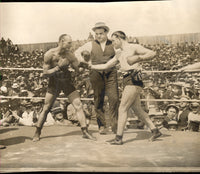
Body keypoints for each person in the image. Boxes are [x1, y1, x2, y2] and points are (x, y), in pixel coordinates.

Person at [90, 31, 162, 145]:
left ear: (119, 38)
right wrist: (91, 66)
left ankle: (118, 138)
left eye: (113, 40)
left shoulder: (133, 47)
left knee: (122, 109)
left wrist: (138, 58)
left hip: (133, 79)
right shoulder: (119, 53)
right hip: (126, 80)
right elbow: (106, 65)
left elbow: (153, 53)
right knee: (137, 109)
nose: (112, 43)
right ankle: (155, 130)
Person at [32, 34, 96, 142]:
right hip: (54, 82)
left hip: (66, 81)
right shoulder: (49, 54)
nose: (71, 45)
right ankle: (37, 132)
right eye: (69, 42)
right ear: (62, 41)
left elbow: (77, 70)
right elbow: (45, 73)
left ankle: (85, 131)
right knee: (46, 107)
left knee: (78, 105)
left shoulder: (70, 55)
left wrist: (86, 64)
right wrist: (58, 68)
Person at [75, 22, 119, 134]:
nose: (98, 36)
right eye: (96, 33)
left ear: (106, 33)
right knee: (98, 98)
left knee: (114, 98)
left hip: (111, 73)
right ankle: (102, 125)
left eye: (101, 33)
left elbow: (121, 55)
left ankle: (115, 125)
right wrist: (86, 62)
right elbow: (76, 54)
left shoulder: (113, 44)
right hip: (96, 73)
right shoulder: (90, 44)